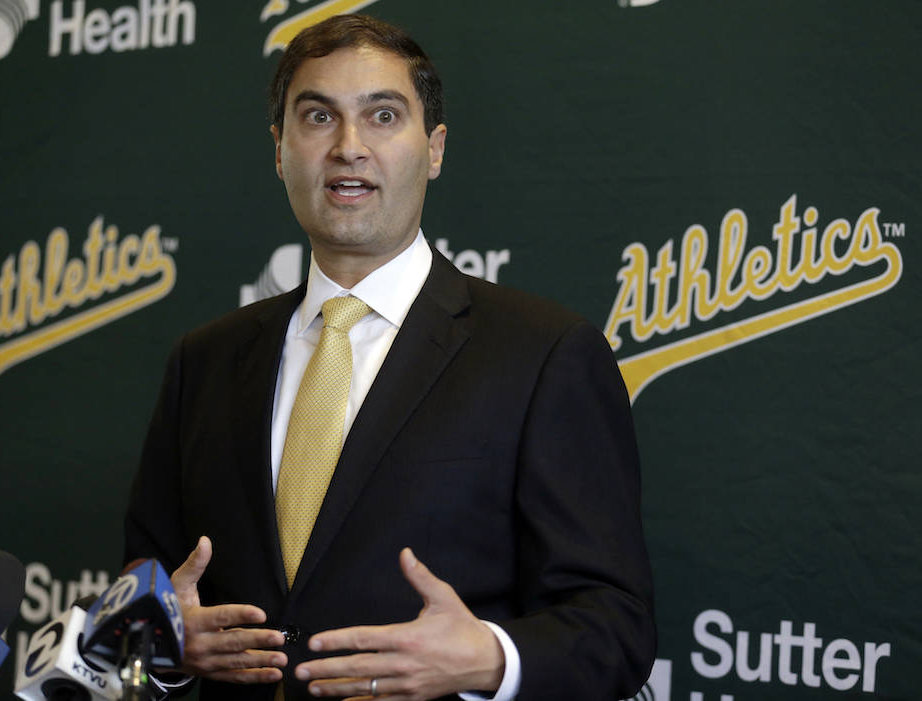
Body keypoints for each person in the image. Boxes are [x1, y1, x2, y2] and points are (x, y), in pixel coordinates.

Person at [124, 13, 655, 701]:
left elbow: (617, 624)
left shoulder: (543, 353)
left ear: (433, 149)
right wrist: (164, 640)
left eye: (382, 115)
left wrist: (489, 658)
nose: (349, 147)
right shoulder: (203, 360)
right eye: (318, 117)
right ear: (280, 150)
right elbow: (145, 587)